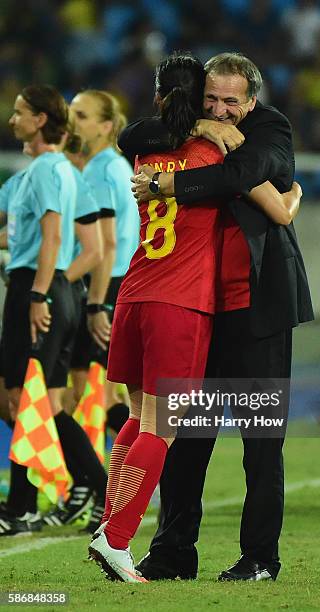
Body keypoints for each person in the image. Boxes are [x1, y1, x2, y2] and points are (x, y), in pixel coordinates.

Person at [88, 52, 302, 583]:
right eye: (212, 99)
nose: (223, 109)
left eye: (232, 101)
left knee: (258, 442)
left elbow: (250, 170)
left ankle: (259, 558)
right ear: (197, 96)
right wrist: (202, 126)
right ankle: (172, 551)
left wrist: (170, 183)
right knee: (183, 441)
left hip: (254, 312)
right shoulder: (191, 136)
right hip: (194, 310)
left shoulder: (267, 127)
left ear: (251, 101)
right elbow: (132, 134)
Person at [0, 85, 106, 536]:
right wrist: (58, 287)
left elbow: (51, 238)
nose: (12, 118)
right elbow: (89, 245)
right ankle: (95, 483)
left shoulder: (43, 172)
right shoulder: (65, 172)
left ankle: (22, 507)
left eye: (20, 112)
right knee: (44, 401)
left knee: (21, 399)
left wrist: (40, 293)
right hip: (60, 290)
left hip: (35, 289)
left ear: (41, 120)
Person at [68, 90, 140, 433]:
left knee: (85, 389)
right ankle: (131, 475)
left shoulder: (99, 171)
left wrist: (96, 304)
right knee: (105, 392)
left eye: (81, 116)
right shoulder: (115, 164)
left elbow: (106, 242)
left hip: (103, 285)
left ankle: (145, 471)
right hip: (119, 282)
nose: (71, 121)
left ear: (105, 126)